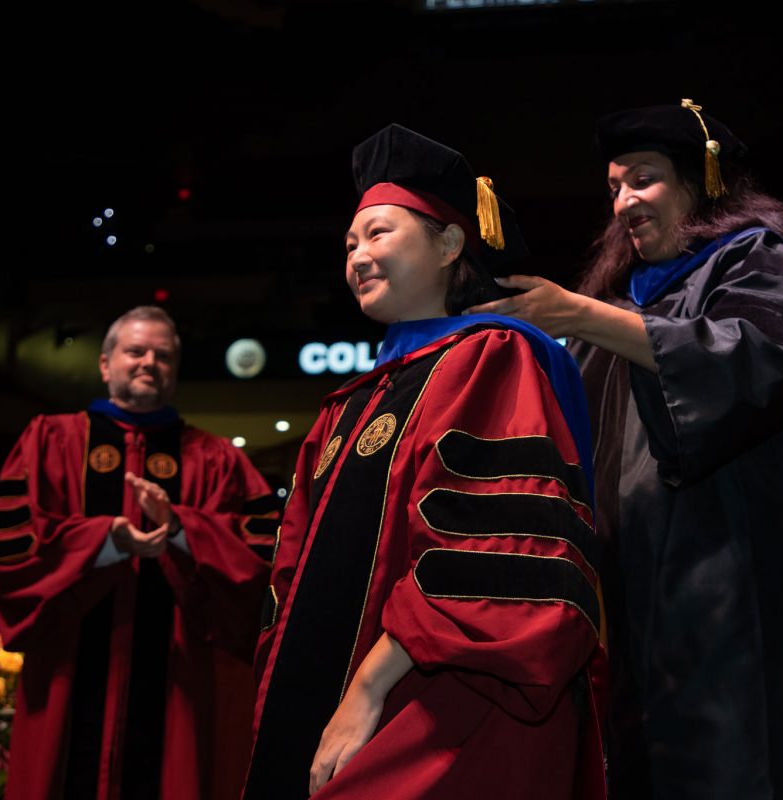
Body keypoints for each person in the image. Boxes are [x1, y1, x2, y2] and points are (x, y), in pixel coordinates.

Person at [467, 100, 783, 798]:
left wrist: (576, 313)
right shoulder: (621, 302)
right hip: (639, 605)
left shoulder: (759, 260)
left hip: (736, 594)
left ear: (702, 181)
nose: (624, 202)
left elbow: (747, 363)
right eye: (613, 189)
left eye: (643, 180)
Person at [242, 124, 608, 800]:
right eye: (349, 243)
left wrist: (365, 692)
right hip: (326, 706)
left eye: (379, 233)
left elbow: (494, 551)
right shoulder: (347, 404)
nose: (357, 256)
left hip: (440, 709)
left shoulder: (490, 359)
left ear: (448, 243)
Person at [0, 306, 276, 800]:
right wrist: (104, 542)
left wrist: (183, 529)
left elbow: (260, 564)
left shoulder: (218, 460)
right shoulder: (49, 441)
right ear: (105, 364)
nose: (148, 362)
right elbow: (13, 555)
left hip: (177, 684)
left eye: (162, 355)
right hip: (67, 674)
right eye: (135, 351)